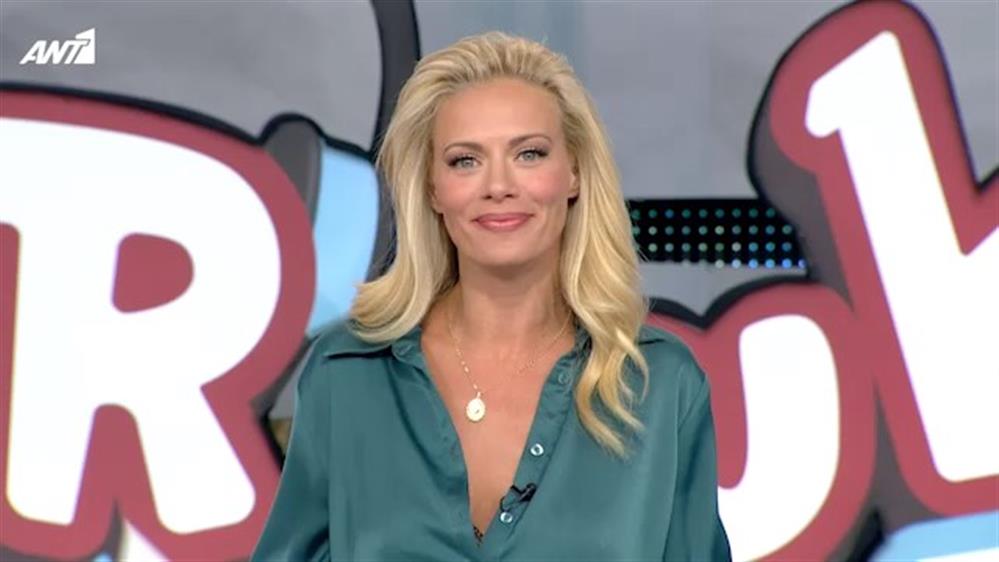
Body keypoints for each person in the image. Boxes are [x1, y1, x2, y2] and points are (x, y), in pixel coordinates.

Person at [251, 31, 731, 561]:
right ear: (432, 188)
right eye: (465, 160)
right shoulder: (346, 374)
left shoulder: (659, 385)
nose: (498, 185)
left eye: (529, 154)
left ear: (573, 172)